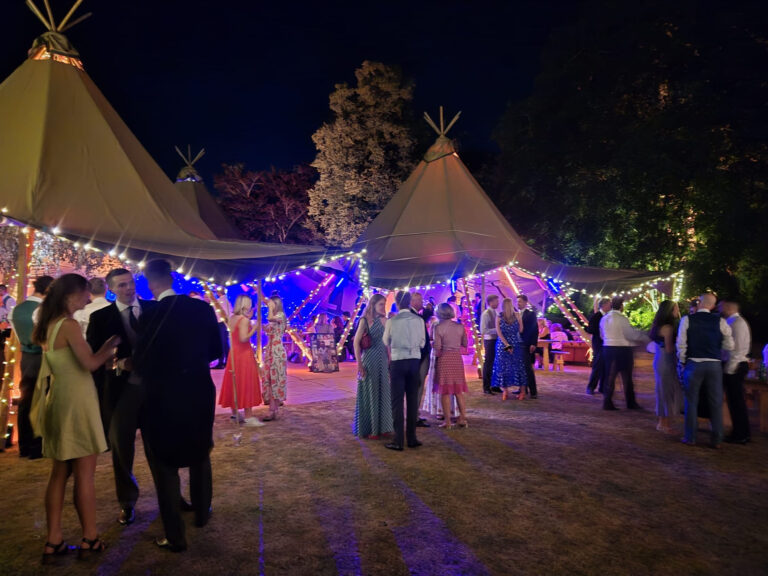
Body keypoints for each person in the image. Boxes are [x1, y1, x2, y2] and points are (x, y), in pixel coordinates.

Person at [134, 260, 222, 552]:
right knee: (200, 450)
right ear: (172, 278)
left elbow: (142, 361)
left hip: (162, 395)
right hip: (198, 388)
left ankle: (175, 534)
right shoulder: (202, 309)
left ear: (149, 283)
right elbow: (215, 351)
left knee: (164, 463)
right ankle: (202, 512)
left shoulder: (148, 315)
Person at [31, 274, 120, 561]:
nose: (89, 298)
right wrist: (110, 346)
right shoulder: (68, 325)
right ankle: (90, 538)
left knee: (59, 473)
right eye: (85, 293)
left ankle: (53, 540)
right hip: (77, 403)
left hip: (59, 400)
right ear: (72, 293)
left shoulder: (49, 325)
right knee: (84, 474)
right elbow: (90, 363)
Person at [87, 268, 158, 527]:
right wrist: (118, 363)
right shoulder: (100, 318)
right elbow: (95, 357)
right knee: (121, 450)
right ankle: (127, 503)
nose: (128, 289)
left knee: (159, 446)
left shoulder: (154, 309)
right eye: (121, 285)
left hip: (154, 391)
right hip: (119, 392)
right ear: (111, 289)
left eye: (130, 283)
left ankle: (170, 496)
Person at [677, 293, 734, 447]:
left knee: (691, 401)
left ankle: (691, 437)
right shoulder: (720, 321)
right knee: (716, 402)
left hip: (694, 363)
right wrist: (717, 348)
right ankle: (717, 439)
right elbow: (730, 345)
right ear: (713, 306)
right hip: (714, 364)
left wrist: (682, 361)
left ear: (699, 302)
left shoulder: (687, 320)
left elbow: (681, 344)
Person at [9, 275, 54, 459]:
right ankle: (37, 446)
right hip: (42, 357)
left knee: (26, 401)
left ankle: (24, 446)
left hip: (26, 358)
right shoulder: (43, 310)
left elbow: (19, 337)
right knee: (41, 401)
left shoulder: (16, 310)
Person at [382, 291, 425, 451]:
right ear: (409, 302)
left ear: (397, 303)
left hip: (398, 361)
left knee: (397, 401)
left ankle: (398, 440)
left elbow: (385, 340)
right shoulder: (419, 320)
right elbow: (422, 342)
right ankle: (412, 438)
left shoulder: (392, 321)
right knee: (413, 400)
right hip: (414, 360)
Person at [218, 294, 264, 427]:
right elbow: (243, 338)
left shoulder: (233, 318)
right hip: (244, 354)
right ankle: (249, 417)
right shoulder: (244, 320)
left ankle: (235, 413)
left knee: (235, 382)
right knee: (246, 382)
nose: (251, 306)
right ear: (245, 304)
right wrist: (254, 329)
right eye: (249, 303)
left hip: (234, 354)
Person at [352, 294, 393, 438]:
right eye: (381, 304)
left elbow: (387, 343)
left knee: (384, 393)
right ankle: (371, 429)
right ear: (373, 305)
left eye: (385, 304)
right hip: (369, 359)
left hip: (383, 360)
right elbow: (356, 342)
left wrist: (389, 361)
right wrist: (359, 364)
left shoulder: (386, 321)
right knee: (371, 392)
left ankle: (384, 427)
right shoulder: (365, 320)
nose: (384, 307)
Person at [600, 297, 649, 410]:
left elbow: (602, 334)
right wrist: (643, 337)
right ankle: (630, 402)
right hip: (622, 349)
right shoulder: (622, 319)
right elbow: (630, 334)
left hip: (607, 348)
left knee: (610, 375)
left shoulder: (604, 318)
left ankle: (607, 401)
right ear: (621, 306)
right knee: (627, 376)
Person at [432, 303, 469, 428]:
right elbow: (465, 343)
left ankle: (447, 421)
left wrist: (432, 344)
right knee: (458, 391)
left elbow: (437, 347)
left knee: (445, 391)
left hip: (445, 358)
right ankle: (463, 418)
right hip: (457, 358)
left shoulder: (438, 328)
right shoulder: (460, 327)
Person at [720, 299, 751, 444]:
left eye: (721, 306)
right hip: (736, 364)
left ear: (728, 307)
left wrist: (729, 370)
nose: (719, 309)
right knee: (735, 401)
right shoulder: (735, 322)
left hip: (736, 366)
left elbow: (736, 350)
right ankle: (740, 432)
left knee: (736, 402)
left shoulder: (736, 324)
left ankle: (741, 434)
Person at [648, 300, 682, 434]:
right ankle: (663, 423)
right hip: (666, 360)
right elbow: (669, 349)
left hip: (659, 359)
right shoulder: (668, 328)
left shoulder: (658, 325)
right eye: (676, 309)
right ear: (669, 311)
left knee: (663, 390)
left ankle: (663, 422)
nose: (677, 311)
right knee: (666, 392)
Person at [491, 298, 527, 400]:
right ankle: (522, 392)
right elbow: (521, 330)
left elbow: (499, 332)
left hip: (502, 344)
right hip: (515, 342)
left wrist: (506, 344)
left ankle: (505, 391)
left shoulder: (499, 316)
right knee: (519, 367)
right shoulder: (517, 315)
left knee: (502, 368)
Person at [262, 294, 288, 421]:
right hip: (270, 350)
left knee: (275, 378)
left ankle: (272, 410)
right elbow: (268, 328)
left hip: (277, 351)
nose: (268, 305)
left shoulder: (280, 316)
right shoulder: (275, 317)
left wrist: (270, 308)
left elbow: (271, 318)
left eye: (271, 303)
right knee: (269, 378)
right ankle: (274, 407)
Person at [410, 292, 431, 427]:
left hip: (418, 355)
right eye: (420, 300)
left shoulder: (416, 315)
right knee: (417, 386)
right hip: (419, 355)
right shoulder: (413, 316)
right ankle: (414, 416)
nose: (422, 303)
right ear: (413, 302)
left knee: (417, 386)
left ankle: (415, 414)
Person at [585, 298, 611, 395]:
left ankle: (602, 387)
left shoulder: (608, 316)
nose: (610, 306)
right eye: (609, 304)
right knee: (597, 365)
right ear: (603, 305)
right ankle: (591, 387)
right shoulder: (596, 316)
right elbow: (590, 329)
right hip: (599, 344)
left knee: (606, 366)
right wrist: (601, 331)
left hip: (607, 343)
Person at [517, 294, 539, 398]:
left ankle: (533, 391)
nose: (518, 303)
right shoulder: (516, 314)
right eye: (517, 301)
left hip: (526, 343)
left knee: (527, 368)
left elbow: (534, 330)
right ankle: (522, 389)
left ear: (526, 302)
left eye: (520, 301)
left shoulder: (530, 314)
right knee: (519, 368)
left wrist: (533, 343)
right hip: (517, 343)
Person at [480, 294, 500, 394]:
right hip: (490, 340)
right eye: (496, 301)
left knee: (496, 363)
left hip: (496, 340)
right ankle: (486, 386)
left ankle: (495, 385)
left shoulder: (496, 312)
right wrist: (497, 330)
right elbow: (483, 330)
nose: (498, 303)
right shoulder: (486, 314)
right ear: (491, 302)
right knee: (489, 363)